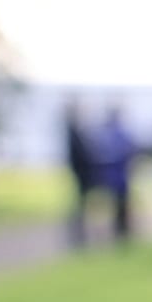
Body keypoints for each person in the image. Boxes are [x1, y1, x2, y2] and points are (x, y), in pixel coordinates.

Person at [88, 106, 139, 245]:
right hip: (117, 178)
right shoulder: (116, 134)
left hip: (110, 177)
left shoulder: (107, 134)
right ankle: (120, 233)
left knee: (114, 208)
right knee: (118, 208)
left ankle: (117, 233)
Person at [62, 97, 94, 247]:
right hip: (81, 174)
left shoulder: (74, 131)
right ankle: (78, 237)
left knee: (80, 205)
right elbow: (78, 155)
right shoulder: (73, 132)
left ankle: (79, 236)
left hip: (82, 173)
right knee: (78, 206)